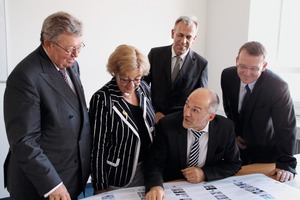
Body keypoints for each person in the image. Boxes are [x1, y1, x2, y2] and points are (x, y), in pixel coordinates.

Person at [3, 11, 91, 200]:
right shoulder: (25, 76)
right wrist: (53, 184)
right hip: (42, 183)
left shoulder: (71, 64)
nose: (76, 54)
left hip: (70, 173)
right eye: (69, 49)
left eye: (79, 46)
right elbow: (24, 141)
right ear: (48, 44)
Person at [144, 88, 241, 200]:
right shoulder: (167, 125)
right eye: (187, 105)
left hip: (204, 190)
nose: (186, 113)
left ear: (210, 117)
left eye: (195, 110)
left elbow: (234, 164)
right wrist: (155, 186)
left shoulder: (225, 128)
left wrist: (204, 174)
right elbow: (154, 163)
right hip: (172, 187)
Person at [221, 41, 297, 182]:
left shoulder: (278, 86)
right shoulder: (227, 76)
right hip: (239, 148)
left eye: (254, 68)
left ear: (264, 66)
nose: (247, 73)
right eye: (243, 66)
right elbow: (229, 109)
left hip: (267, 150)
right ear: (237, 60)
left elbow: (286, 127)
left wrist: (286, 164)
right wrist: (235, 134)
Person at [89, 44, 156, 194]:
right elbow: (98, 147)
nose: (131, 85)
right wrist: (100, 185)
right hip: (120, 174)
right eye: (125, 79)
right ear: (115, 72)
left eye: (137, 79)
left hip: (148, 169)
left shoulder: (144, 88)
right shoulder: (103, 99)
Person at [144, 15, 208, 123]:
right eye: (180, 35)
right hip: (153, 119)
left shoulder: (201, 64)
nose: (183, 41)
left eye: (188, 37)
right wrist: (153, 112)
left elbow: (199, 100)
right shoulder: (155, 55)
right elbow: (142, 86)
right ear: (173, 33)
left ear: (194, 39)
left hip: (180, 124)